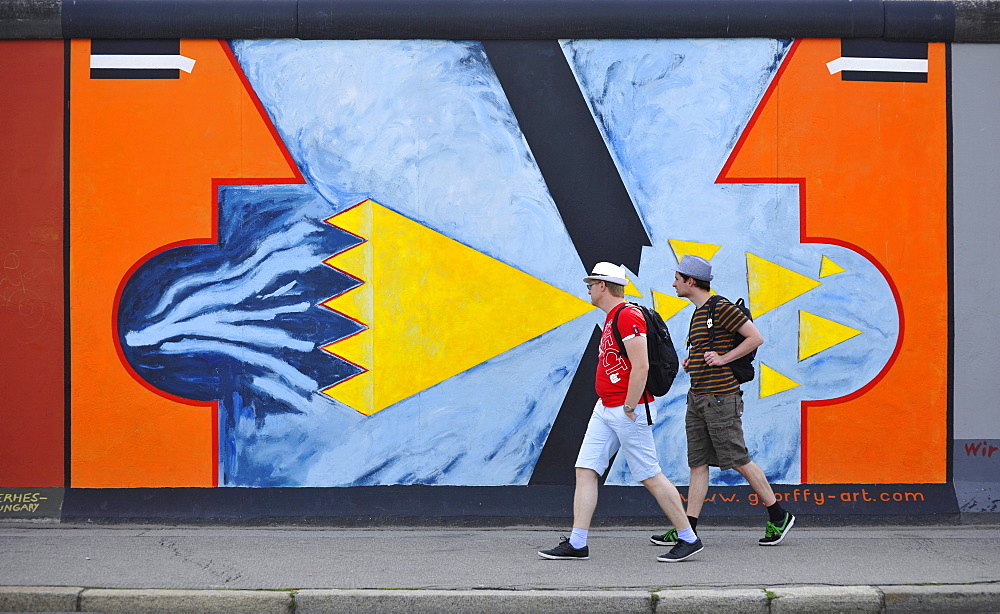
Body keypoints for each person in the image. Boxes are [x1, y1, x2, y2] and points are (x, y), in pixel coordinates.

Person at [538, 262, 703, 563]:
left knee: (650, 474)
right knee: (586, 469)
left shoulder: (628, 316)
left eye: (591, 283)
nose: (587, 288)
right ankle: (577, 543)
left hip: (629, 408)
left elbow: (641, 366)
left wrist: (629, 404)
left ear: (603, 286)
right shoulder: (613, 316)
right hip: (606, 407)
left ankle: (689, 538)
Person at [651, 255, 795, 548]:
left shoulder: (721, 307)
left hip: (720, 398)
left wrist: (723, 359)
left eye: (677, 279)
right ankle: (687, 529)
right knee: (698, 463)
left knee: (738, 459)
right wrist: (694, 360)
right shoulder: (698, 313)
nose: (673, 284)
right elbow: (711, 347)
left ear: (691, 281)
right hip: (698, 397)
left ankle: (778, 515)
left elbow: (755, 338)